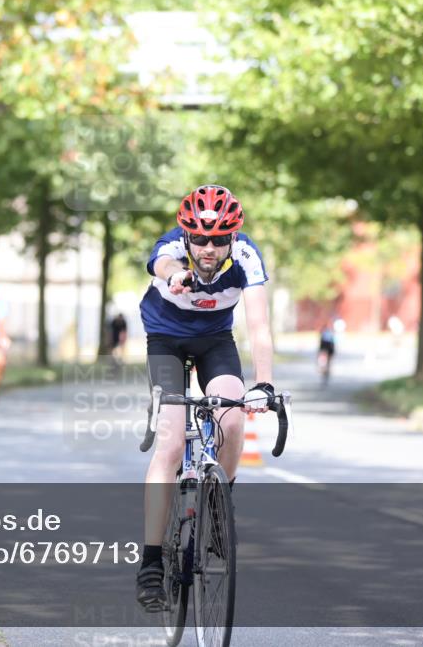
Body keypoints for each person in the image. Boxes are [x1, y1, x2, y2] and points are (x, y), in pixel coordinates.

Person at [136, 184, 276, 611]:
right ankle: (152, 564)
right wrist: (174, 274)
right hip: (166, 340)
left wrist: (264, 385)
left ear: (233, 237)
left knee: (232, 418)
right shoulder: (174, 250)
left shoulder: (247, 257)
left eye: (219, 239)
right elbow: (160, 264)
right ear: (187, 236)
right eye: (200, 239)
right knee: (173, 443)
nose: (209, 248)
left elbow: (259, 327)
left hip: (215, 340)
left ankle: (219, 504)